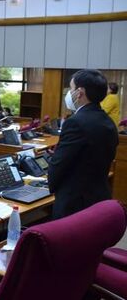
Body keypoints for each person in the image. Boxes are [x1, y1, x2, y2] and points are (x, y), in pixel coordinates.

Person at [48, 69, 118, 219]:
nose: (69, 93)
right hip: (99, 196)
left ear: (79, 92)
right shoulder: (108, 122)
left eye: (71, 88)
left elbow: (60, 165)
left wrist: (49, 184)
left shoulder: (75, 122)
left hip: (74, 202)